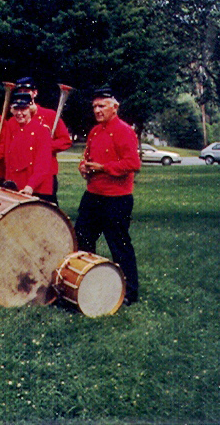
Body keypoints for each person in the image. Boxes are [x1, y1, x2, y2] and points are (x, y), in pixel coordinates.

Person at [76, 88, 141, 305]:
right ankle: (85, 282)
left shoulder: (124, 131)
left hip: (116, 198)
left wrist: (104, 167)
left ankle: (129, 292)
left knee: (119, 245)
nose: (97, 110)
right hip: (93, 194)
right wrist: (84, 168)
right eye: (94, 106)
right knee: (82, 238)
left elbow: (133, 164)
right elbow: (86, 157)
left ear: (115, 107)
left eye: (102, 105)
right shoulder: (94, 131)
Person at [13, 77, 72, 200]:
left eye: (26, 91)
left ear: (35, 93)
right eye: (20, 92)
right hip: (22, 172)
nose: (23, 94)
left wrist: (44, 147)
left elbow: (65, 141)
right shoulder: (15, 118)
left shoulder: (49, 115)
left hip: (46, 173)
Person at [0, 92, 55, 202]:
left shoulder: (42, 130)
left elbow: (43, 164)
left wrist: (31, 186)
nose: (19, 113)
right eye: (16, 109)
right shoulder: (11, 126)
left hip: (36, 188)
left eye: (23, 109)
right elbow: (8, 159)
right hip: (16, 185)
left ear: (30, 109)